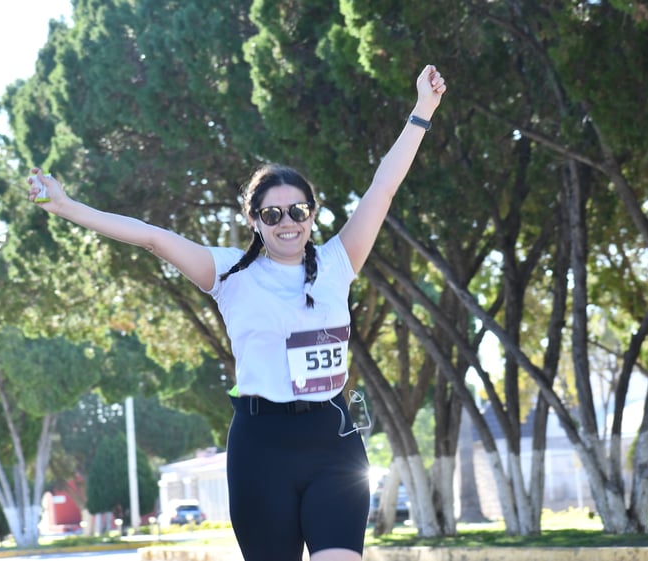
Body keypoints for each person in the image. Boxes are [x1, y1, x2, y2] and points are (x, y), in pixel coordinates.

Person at [28, 64, 446, 561]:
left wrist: (422, 110)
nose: (287, 222)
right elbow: (152, 237)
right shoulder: (229, 273)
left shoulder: (339, 260)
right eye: (273, 214)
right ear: (254, 220)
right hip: (261, 447)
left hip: (333, 442)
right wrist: (70, 207)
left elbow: (382, 189)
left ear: (312, 214)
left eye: (298, 211)